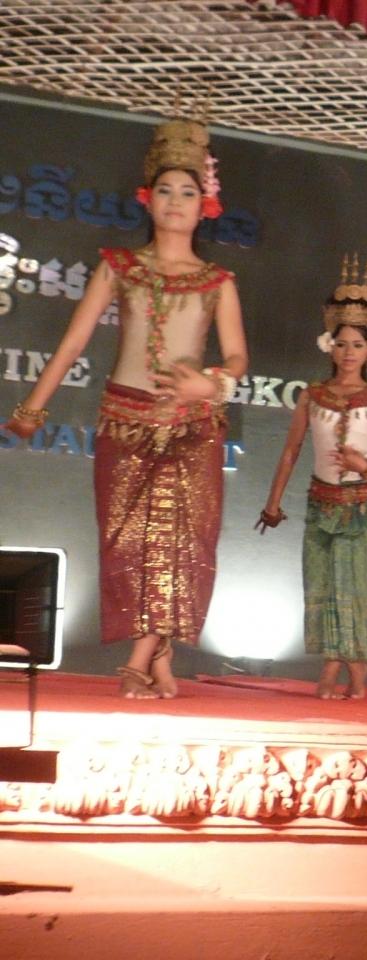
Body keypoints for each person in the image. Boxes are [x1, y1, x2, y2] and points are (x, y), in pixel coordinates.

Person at [4, 108, 246, 699]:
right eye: (165, 190)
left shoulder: (217, 281)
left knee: (181, 543)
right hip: (125, 420)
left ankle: (139, 659)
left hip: (193, 424)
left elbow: (238, 358)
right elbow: (73, 342)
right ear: (147, 198)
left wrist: (208, 384)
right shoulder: (120, 267)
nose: (175, 201)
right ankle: (159, 653)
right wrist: (32, 410)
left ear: (205, 204)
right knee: (130, 543)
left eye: (187, 191)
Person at [257, 256, 367, 700]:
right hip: (323, 503)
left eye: (357, 344)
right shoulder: (312, 396)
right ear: (329, 347)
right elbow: (291, 451)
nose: (348, 352)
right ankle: (336, 669)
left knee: (357, 587)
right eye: (341, 344)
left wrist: (366, 465)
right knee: (327, 585)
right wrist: (273, 502)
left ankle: (349, 672)